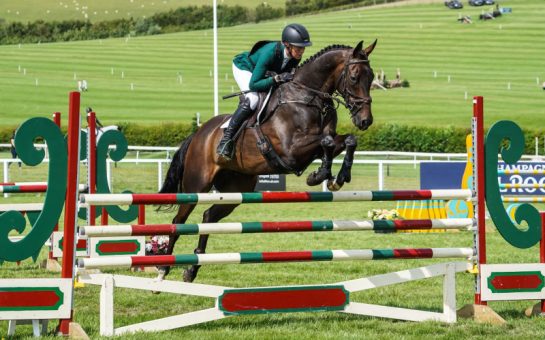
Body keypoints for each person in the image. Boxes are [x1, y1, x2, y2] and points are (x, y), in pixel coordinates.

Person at [216, 23, 312, 160]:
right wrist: (276, 78)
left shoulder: (295, 57)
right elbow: (254, 84)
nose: (301, 51)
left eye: (303, 48)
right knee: (253, 98)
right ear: (287, 45)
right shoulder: (269, 53)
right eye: (298, 47)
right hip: (245, 67)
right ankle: (226, 140)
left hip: (264, 73)